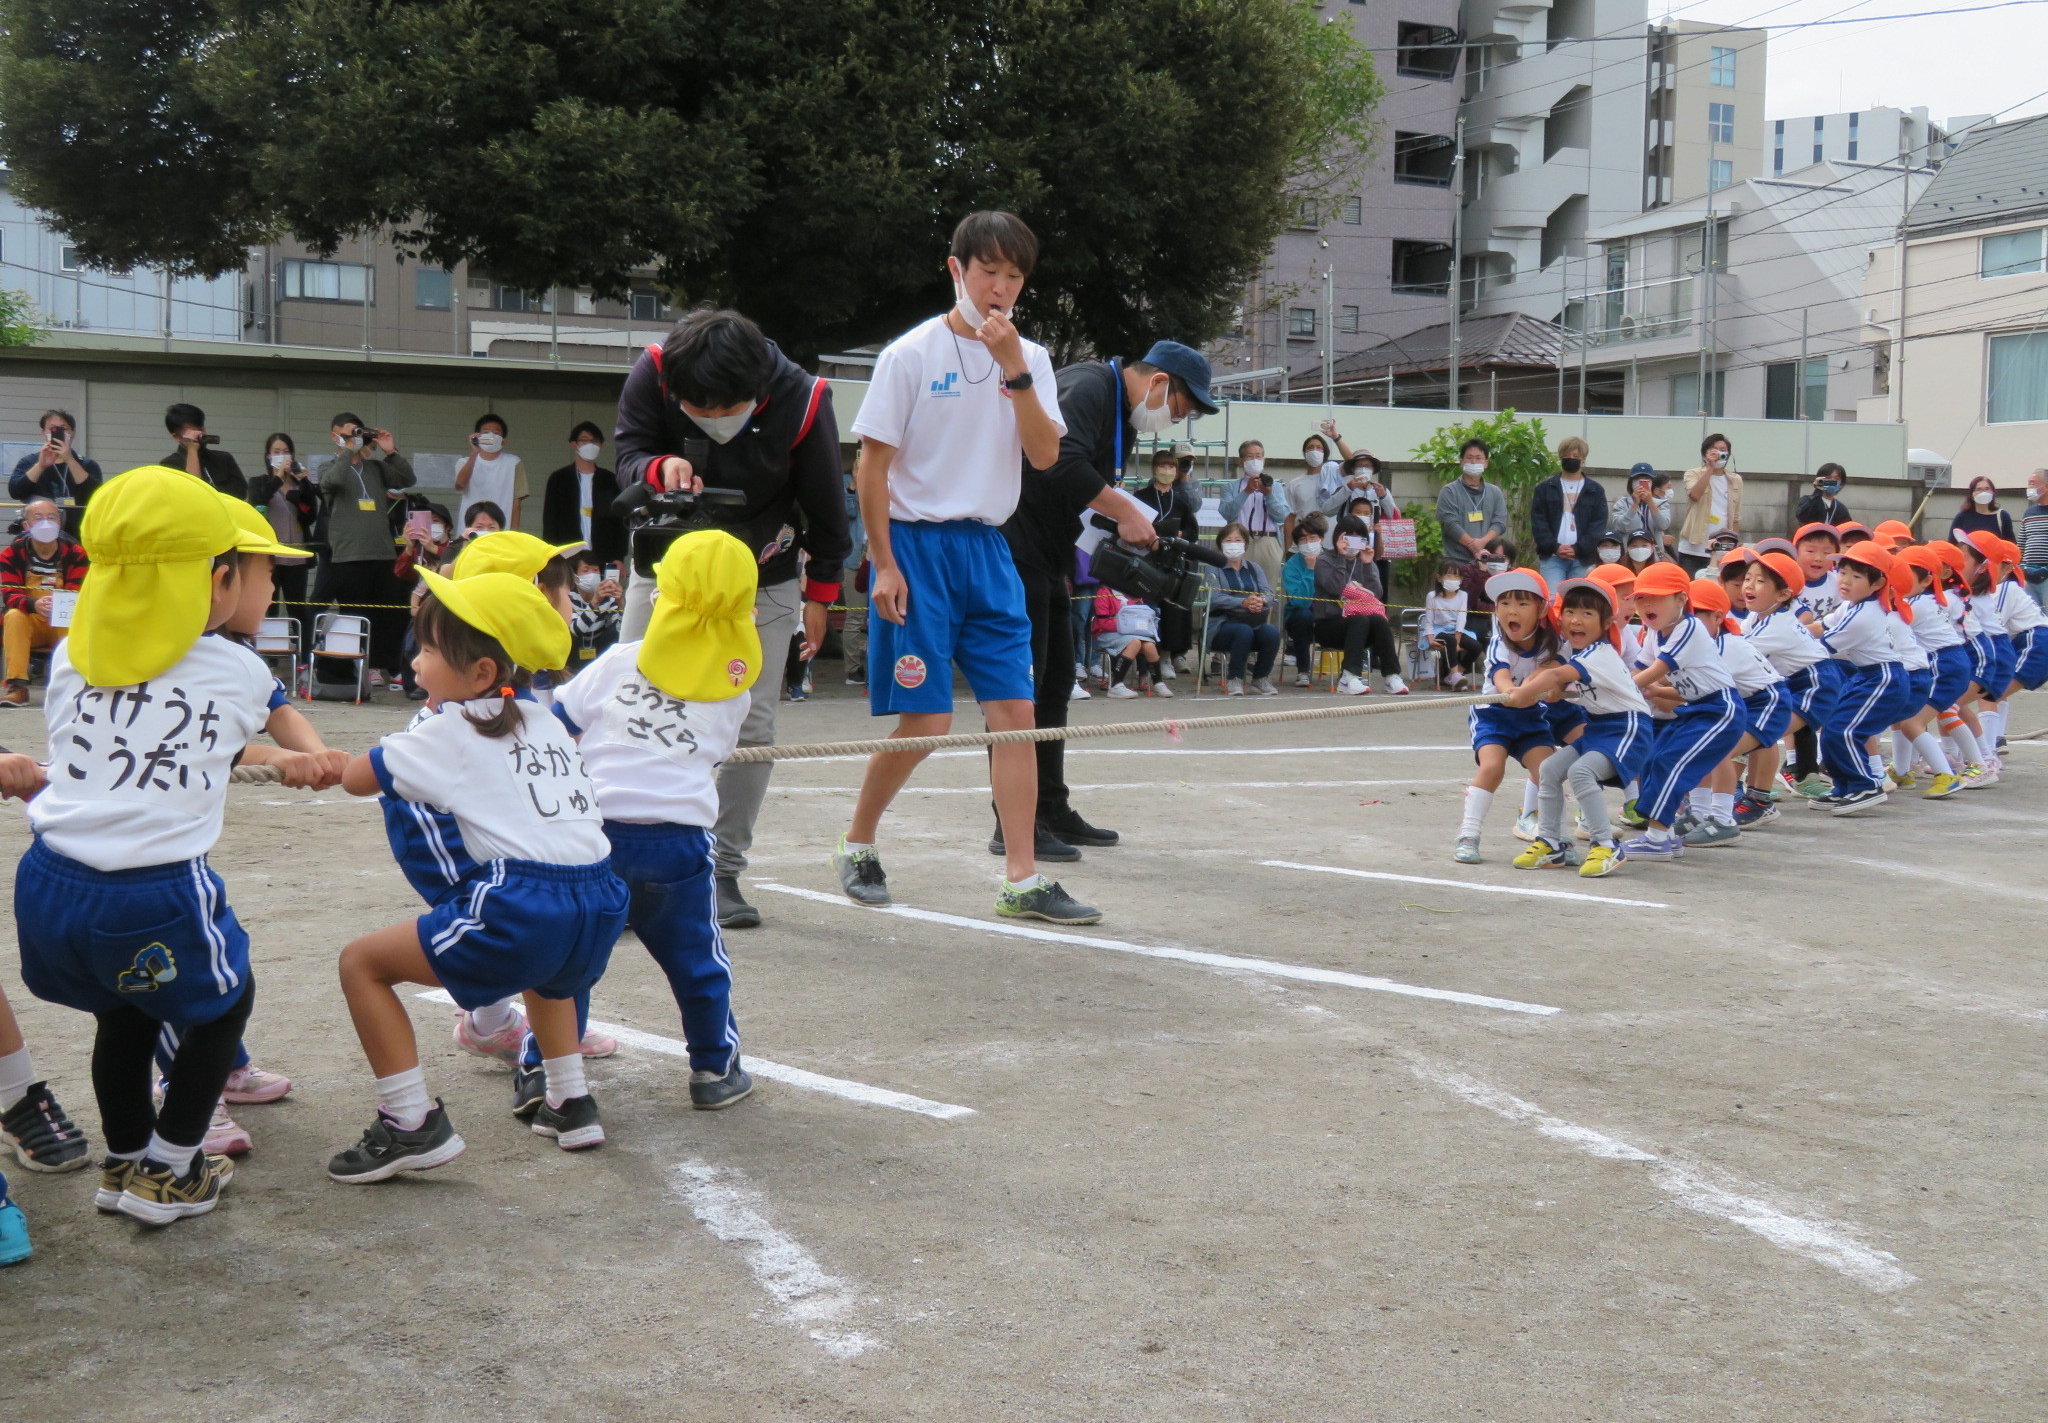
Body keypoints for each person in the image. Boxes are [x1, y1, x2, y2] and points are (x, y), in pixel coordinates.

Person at [15, 465, 329, 1226]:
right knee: (224, 1003)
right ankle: (174, 1169)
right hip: (151, 888)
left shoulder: (72, 657)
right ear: (218, 581)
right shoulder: (236, 668)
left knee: (125, 1015)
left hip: (51, 879)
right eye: (260, 573)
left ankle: (125, 1161)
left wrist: (291, 754)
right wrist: (308, 756)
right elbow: (255, 722)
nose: (266, 587)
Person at [832, 210, 1097, 925]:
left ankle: (1021, 875)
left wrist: (1013, 371)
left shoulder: (1032, 359)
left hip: (991, 547)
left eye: (1015, 276)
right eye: (990, 272)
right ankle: (858, 843)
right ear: (957, 269)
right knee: (927, 718)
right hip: (916, 548)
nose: (1002, 288)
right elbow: (871, 466)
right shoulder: (909, 355)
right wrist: (882, 563)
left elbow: (1045, 456)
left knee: (1016, 715)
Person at [329, 570, 628, 1180]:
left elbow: (358, 778)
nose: (415, 661)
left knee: (362, 963)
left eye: (430, 650)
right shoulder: (545, 718)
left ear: (483, 673)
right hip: (600, 897)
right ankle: (570, 1101)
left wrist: (318, 761)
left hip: (523, 902)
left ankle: (410, 1123)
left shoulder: (449, 728)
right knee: (548, 975)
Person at [613, 309, 850, 929]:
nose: (715, 418)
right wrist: (656, 469)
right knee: (636, 701)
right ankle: (623, 864)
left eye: (729, 407)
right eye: (699, 407)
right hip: (666, 567)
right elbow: (628, 452)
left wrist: (819, 593)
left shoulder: (804, 398)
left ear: (759, 389)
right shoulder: (655, 369)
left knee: (750, 720)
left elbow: (828, 504)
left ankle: (720, 870)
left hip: (764, 574)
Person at [548, 530, 762, 1110]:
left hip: (593, 840)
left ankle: (543, 1075)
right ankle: (714, 1071)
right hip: (680, 845)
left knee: (571, 962)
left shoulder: (620, 658)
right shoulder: (733, 689)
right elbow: (713, 756)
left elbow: (559, 716)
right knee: (697, 959)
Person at [996, 333, 1212, 854]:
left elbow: (1082, 491)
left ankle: (1051, 807)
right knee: (1018, 693)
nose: (1174, 420)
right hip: (1012, 546)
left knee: (1054, 685)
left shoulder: (1123, 415)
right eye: (1180, 408)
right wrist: (1127, 510)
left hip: (1049, 556)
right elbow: (1058, 462)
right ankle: (1013, 824)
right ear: (1160, 382)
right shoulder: (1090, 385)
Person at [1510, 579, 1651, 878]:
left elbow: (1559, 674)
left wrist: (1524, 692)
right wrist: (1557, 688)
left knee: (1581, 772)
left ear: (1606, 622)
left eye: (1588, 614)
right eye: (1571, 611)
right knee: (1550, 769)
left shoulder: (1600, 653)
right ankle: (1550, 843)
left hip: (1629, 728)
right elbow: (1563, 679)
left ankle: (1605, 844)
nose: (1576, 619)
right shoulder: (1582, 655)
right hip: (1600, 727)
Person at [1615, 562, 1746, 860]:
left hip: (1719, 711)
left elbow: (1656, 670)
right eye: (1641, 598)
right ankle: (1668, 834)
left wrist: (1619, 691)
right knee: (1655, 758)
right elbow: (1637, 670)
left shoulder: (1690, 627)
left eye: (1656, 597)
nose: (1646, 604)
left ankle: (1657, 839)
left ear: (1681, 600)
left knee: (1671, 763)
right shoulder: (1653, 633)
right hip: (1695, 708)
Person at [1453, 569, 1560, 863]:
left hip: (1532, 717)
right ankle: (1469, 834)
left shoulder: (1555, 642)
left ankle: (1550, 838)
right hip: (1493, 714)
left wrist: (1548, 688)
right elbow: (1501, 678)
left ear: (1542, 609)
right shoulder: (1499, 642)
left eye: (1522, 604)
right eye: (1504, 603)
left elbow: (1551, 671)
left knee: (1547, 771)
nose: (1511, 611)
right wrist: (1513, 690)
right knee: (1492, 767)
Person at [1810, 542, 1917, 815]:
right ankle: (1845, 786)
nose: (1845, 581)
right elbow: (1820, 627)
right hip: (1869, 676)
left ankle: (1864, 785)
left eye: (1856, 576)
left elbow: (1820, 646)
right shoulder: (1852, 606)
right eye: (1843, 572)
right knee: (1833, 728)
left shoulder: (1865, 615)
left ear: (1877, 583)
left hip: (1884, 679)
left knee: (1844, 731)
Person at [315, 411, 415, 687]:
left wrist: (390, 451)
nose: (353, 439)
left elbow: (406, 478)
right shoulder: (328, 466)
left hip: (382, 552)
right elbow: (331, 482)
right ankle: (359, 665)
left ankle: (386, 664)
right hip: (349, 554)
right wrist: (348, 449)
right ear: (334, 435)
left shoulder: (376, 468)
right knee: (356, 613)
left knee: (390, 612)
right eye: (346, 434)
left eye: (357, 433)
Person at [0, 498, 87, 705]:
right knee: (13, 615)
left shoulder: (76, 553)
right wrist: (34, 605)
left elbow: (80, 591)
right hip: (31, 623)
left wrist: (59, 604)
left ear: (60, 522)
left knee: (71, 616)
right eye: (37, 518)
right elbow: (9, 594)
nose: (45, 522)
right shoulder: (12, 554)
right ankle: (18, 687)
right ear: (26, 525)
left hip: (63, 623)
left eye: (51, 517)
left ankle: (69, 685)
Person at [248, 433, 321, 662]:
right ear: (268, 456)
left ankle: (302, 659)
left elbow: (311, 516)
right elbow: (257, 502)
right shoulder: (260, 482)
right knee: (268, 607)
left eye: (285, 451)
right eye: (276, 452)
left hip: (295, 555)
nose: (281, 456)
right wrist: (278, 479)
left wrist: (306, 486)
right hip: (269, 556)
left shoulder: (299, 485)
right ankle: (268, 656)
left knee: (297, 608)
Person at [1315, 514, 1406, 696]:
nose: (1353, 543)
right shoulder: (1325, 560)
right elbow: (1335, 588)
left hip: (1359, 628)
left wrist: (1368, 565)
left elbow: (1376, 594)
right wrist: (1341, 558)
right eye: (1349, 538)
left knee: (1378, 620)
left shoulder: (1364, 561)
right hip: (1330, 624)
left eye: (1359, 539)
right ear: (1339, 537)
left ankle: (1392, 675)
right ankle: (1349, 677)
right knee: (1360, 620)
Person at [1133, 446, 1202, 677]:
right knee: (1149, 607)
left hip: (1173, 560)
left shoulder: (1181, 500)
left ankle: (1170, 657)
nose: (1167, 470)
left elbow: (1191, 530)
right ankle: (1148, 657)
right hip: (1148, 559)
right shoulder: (1141, 497)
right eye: (1162, 466)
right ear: (1154, 469)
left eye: (1171, 466)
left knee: (1174, 609)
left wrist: (1178, 535)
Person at [1219, 441, 1290, 627]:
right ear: (1242, 461)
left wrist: (1269, 494)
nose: (1255, 460)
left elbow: (1282, 515)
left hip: (1268, 540)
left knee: (1267, 593)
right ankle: (1235, 634)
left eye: (1258, 456)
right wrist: (1247, 491)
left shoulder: (1275, 486)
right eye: (1250, 456)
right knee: (1237, 589)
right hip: (1240, 542)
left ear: (1264, 459)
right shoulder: (1231, 487)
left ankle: (1261, 636)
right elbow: (1227, 513)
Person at [1204, 522, 1280, 696]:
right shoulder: (1213, 568)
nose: (1233, 543)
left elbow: (1268, 593)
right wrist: (1242, 603)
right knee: (1243, 631)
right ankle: (1235, 679)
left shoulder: (1255, 568)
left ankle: (1260, 679)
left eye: (1237, 540)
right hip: (1222, 625)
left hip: (1253, 621)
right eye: (1228, 540)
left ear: (1245, 544)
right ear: (1220, 543)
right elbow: (1214, 598)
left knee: (1271, 633)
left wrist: (1261, 601)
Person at [542, 422, 625, 569]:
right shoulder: (559, 479)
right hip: (567, 555)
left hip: (604, 555)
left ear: (601, 445)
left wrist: (619, 557)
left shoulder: (610, 480)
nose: (590, 445)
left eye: (595, 441)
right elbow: (550, 520)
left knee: (605, 591)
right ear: (573, 444)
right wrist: (551, 554)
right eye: (585, 440)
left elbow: (619, 521)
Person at [1532, 437, 1608, 587]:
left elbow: (1598, 525)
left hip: (1583, 559)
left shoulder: (1595, 490)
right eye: (1567, 455)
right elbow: (1539, 523)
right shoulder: (1545, 488)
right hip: (1552, 557)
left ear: (1583, 459)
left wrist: (1578, 549)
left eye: (1575, 456)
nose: (1571, 459)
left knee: (1578, 601)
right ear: (1560, 457)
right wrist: (1555, 547)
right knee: (1554, 600)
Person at [8, 409, 102, 522]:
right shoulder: (29, 462)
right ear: (43, 433)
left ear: (72, 433)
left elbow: (95, 495)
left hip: (75, 531)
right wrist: (40, 466)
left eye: (64, 428)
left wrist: (70, 460)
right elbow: (15, 492)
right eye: (52, 428)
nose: (58, 433)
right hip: (38, 530)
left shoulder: (87, 464)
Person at [1436, 439, 1509, 573]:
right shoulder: (1449, 491)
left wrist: (1482, 543)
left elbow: (1500, 523)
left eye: (1478, 458)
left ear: (1486, 463)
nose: (1474, 462)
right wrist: (1474, 546)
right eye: (1469, 458)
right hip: (1456, 562)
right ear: (1461, 462)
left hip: (1489, 562)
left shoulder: (1495, 492)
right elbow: (1450, 524)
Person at [1675, 433, 1740, 574]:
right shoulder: (1693, 474)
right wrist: (1710, 468)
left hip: (1721, 549)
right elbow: (1695, 495)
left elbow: (1736, 517)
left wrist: (1733, 546)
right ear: (1704, 456)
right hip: (1693, 548)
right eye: (1714, 450)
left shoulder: (1735, 480)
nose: (1719, 453)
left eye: (1723, 450)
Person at [1093, 582, 1169, 697]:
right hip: (1107, 634)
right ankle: (1116, 685)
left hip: (1132, 633)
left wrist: (1128, 625)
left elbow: (1141, 615)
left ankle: (1158, 682)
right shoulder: (1104, 593)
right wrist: (1127, 625)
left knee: (1150, 645)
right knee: (1135, 643)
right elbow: (1103, 623)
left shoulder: (1134, 593)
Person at [454, 413, 525, 529]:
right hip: (469, 529)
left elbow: (516, 503)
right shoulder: (464, 462)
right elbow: (460, 485)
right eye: (486, 432)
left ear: (503, 441)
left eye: (496, 433)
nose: (491, 435)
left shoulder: (514, 463)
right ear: (477, 436)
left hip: (500, 529)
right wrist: (474, 452)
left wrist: (513, 533)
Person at [161, 402, 247, 497]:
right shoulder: (169, 464)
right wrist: (192, 450)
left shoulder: (223, 458)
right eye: (191, 432)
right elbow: (193, 492)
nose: (200, 435)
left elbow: (240, 492)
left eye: (201, 430)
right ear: (177, 437)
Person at [1281, 517, 1326, 686]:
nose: (1308, 542)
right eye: (1303, 539)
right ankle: (1303, 670)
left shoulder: (1330, 560)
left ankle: (1349, 671)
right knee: (1303, 615)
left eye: (1313, 538)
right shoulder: (1291, 566)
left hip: (1326, 616)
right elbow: (1300, 602)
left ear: (1321, 539)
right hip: (1298, 618)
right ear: (1297, 545)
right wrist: (1309, 571)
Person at [1422, 562, 1478, 688]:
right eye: (1448, 576)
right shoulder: (1432, 596)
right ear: (1439, 578)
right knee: (1450, 640)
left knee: (1476, 646)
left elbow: (1461, 618)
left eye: (1456, 576)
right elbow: (1429, 620)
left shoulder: (1463, 595)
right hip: (1438, 630)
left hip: (1455, 630)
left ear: (1461, 580)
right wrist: (1430, 639)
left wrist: (1458, 639)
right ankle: (1454, 675)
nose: (1453, 580)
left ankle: (1456, 674)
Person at [565, 553, 623, 670]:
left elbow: (620, 630)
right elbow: (576, 630)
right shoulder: (568, 597)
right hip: (573, 650)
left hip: (599, 648)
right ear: (575, 576)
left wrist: (620, 603)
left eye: (595, 570)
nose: (592, 575)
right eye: (585, 570)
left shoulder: (608, 597)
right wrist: (595, 602)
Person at [1609, 464, 1667, 549]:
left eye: (1646, 479)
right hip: (1629, 552)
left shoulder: (1662, 503)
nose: (1642, 482)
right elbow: (1619, 527)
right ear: (1631, 483)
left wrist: (1650, 502)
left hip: (1654, 553)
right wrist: (1634, 505)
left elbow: (1663, 525)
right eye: (1638, 479)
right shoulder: (1621, 503)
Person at [1949, 476, 2015, 547]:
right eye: (1979, 489)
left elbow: (2011, 545)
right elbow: (1952, 545)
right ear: (1972, 494)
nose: (1983, 492)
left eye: (1987, 489)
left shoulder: (2002, 516)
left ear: (1993, 492)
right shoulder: (1962, 517)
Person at [2019, 470, 2048, 609]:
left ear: (2046, 486)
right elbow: (2021, 543)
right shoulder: (2029, 513)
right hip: (2028, 575)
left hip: (2046, 575)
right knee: (2032, 615)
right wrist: (2021, 567)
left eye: (2033, 483)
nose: (2029, 488)